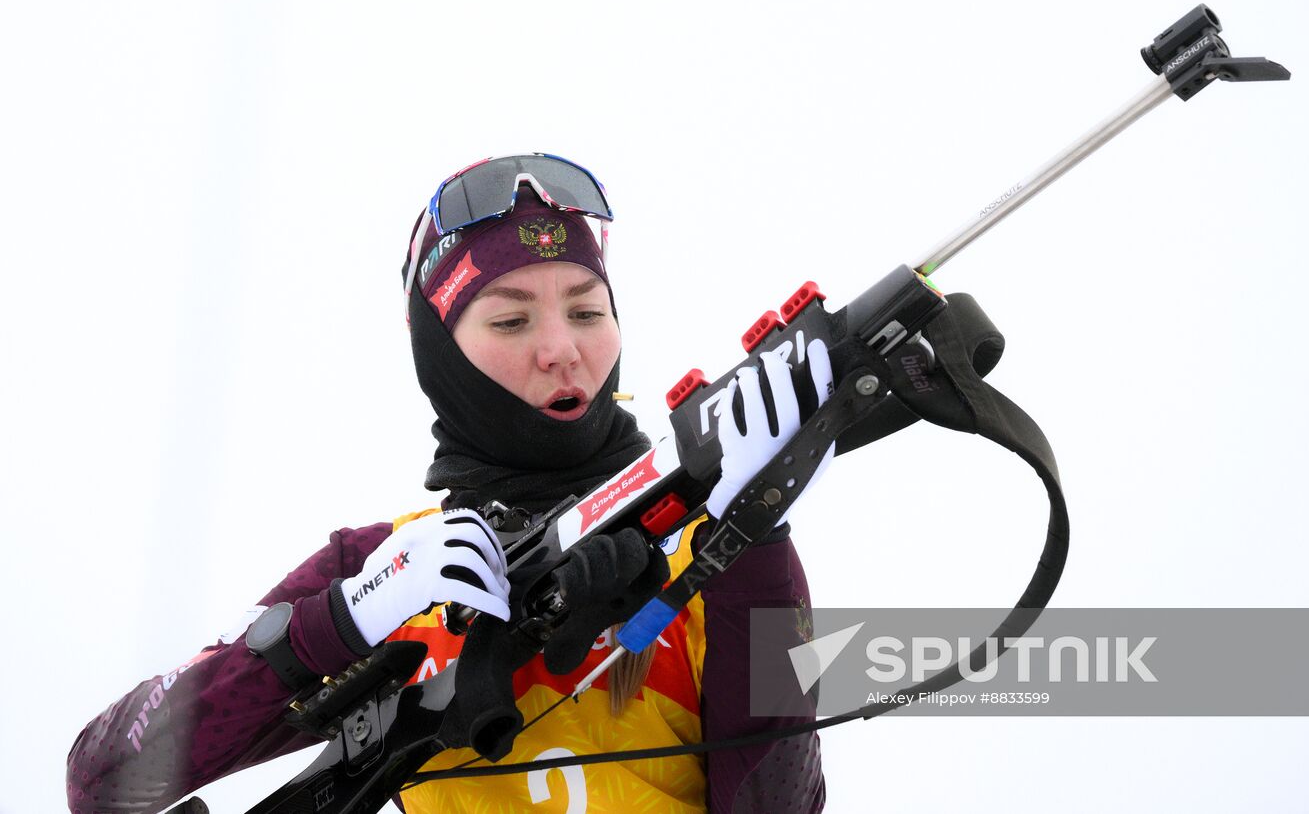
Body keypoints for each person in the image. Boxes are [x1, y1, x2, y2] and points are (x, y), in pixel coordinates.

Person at [67, 154, 829, 813]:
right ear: (442, 356)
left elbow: (778, 800)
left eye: (588, 310)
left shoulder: (708, 539)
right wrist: (346, 614)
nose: (563, 349)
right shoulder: (385, 566)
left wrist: (757, 534)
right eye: (510, 321)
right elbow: (104, 777)